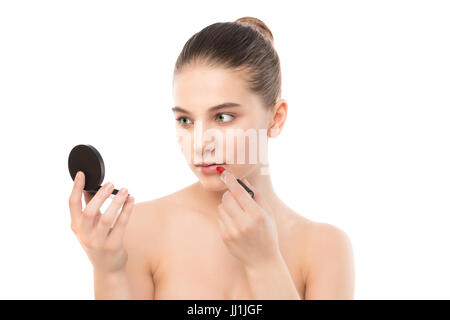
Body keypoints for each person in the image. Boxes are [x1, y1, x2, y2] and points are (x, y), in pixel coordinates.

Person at [68, 16, 355, 300]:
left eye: (223, 117)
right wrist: (108, 270)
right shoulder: (139, 229)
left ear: (276, 119)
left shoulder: (325, 250)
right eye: (185, 120)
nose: (200, 143)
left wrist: (264, 263)